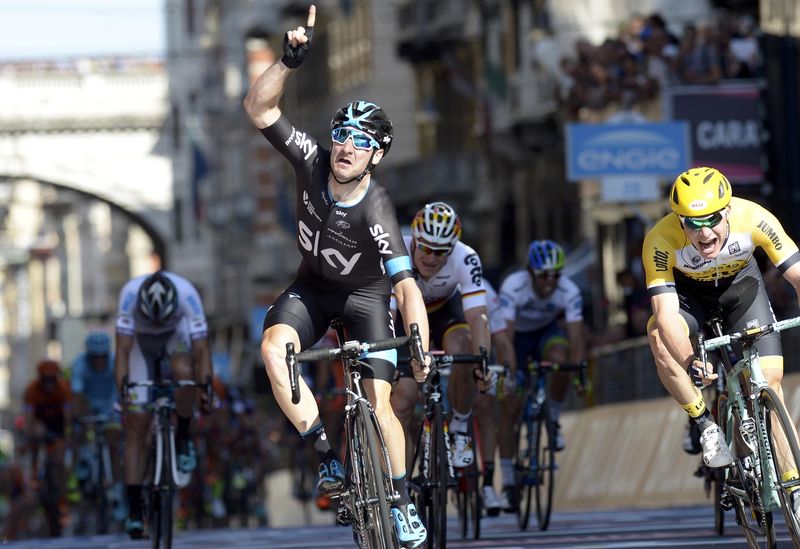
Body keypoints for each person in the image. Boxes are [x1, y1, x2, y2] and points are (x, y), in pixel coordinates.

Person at [243, 5, 431, 547]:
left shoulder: (378, 210)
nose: (347, 146)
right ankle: (327, 457)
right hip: (312, 289)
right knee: (274, 348)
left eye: (362, 141)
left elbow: (404, 286)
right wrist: (286, 62)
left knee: (380, 403)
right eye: (343, 134)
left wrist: (417, 340)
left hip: (368, 301)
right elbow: (259, 108)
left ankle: (398, 501)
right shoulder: (309, 160)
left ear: (377, 156)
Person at [643, 167, 800, 513]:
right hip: (689, 301)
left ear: (727, 210)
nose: (703, 232)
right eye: (691, 223)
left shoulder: (754, 217)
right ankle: (705, 423)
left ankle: (794, 486)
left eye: (711, 219)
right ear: (678, 220)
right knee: (656, 333)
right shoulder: (660, 238)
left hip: (742, 292)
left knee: (769, 384)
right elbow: (666, 313)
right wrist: (690, 361)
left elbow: (797, 273)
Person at [390, 202, 494, 473]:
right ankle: (401, 479)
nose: (431, 257)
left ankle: (459, 428)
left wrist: (482, 363)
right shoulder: (395, 249)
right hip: (404, 316)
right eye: (425, 247)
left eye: (440, 251)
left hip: (444, 311)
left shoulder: (466, 257)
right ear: (414, 240)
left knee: (464, 348)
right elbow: (386, 316)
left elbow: (478, 318)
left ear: (452, 249)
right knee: (403, 397)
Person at [115, 270, 213, 539]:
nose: (157, 322)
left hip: (175, 336)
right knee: (136, 426)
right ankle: (135, 512)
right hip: (138, 343)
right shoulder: (129, 295)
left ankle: (181, 434)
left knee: (185, 372)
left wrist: (205, 389)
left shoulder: (187, 294)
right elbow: (122, 350)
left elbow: (202, 350)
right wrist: (124, 393)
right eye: (152, 318)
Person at [497, 239, 587, 508]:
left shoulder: (568, 289)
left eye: (555, 275)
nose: (549, 281)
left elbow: (576, 335)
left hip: (546, 334)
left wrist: (578, 370)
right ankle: (509, 479)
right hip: (517, 338)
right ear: (530, 271)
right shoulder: (514, 285)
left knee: (561, 360)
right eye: (543, 275)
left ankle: (554, 419)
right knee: (510, 405)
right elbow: (507, 333)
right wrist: (510, 372)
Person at [70, 331, 125, 520]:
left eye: (102, 357)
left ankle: (117, 492)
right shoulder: (79, 365)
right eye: (95, 358)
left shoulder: (115, 362)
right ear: (89, 355)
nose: (99, 362)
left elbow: (122, 389)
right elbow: (77, 396)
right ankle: (84, 456)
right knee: (80, 424)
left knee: (114, 445)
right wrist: (80, 417)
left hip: (110, 404)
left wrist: (121, 411)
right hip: (89, 403)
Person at [22, 358, 73, 532]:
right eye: (46, 379)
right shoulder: (32, 390)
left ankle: (61, 492)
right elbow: (28, 418)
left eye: (53, 379)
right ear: (41, 378)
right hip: (41, 422)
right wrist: (28, 437)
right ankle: (36, 471)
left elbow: (67, 416)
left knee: (59, 461)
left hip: (58, 424)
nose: (50, 383)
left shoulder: (64, 388)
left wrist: (66, 437)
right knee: (35, 434)